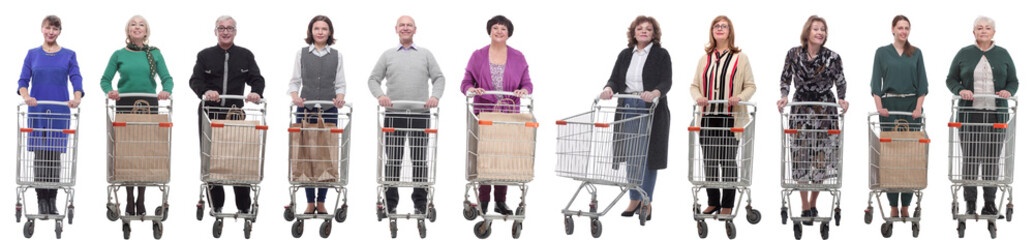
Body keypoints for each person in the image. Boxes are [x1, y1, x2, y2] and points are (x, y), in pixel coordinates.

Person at [367, 15, 446, 214]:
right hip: (394, 113)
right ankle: (389, 203)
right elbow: (373, 79)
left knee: (420, 159)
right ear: (396, 29)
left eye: (409, 25)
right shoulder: (388, 55)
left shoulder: (426, 54)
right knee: (393, 159)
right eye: (402, 25)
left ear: (415, 29)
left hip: (420, 114)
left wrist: (435, 97)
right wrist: (381, 96)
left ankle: (420, 203)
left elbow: (439, 78)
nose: (405, 28)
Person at [775, 15, 849, 226]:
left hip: (825, 110)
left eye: (823, 29)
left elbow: (841, 81)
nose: (820, 32)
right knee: (799, 155)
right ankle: (804, 204)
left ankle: (813, 202)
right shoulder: (793, 54)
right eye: (816, 28)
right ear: (807, 32)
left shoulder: (833, 57)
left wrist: (842, 100)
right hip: (800, 108)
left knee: (821, 157)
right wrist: (783, 95)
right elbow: (785, 77)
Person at [188, 15, 265, 214]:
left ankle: (244, 206)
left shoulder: (245, 55)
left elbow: (257, 79)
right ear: (215, 32)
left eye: (229, 28)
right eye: (221, 28)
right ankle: (217, 204)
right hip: (210, 114)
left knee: (238, 158)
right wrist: (206, 92)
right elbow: (195, 80)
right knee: (212, 157)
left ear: (235, 32)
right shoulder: (204, 55)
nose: (225, 31)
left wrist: (256, 92)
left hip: (234, 114)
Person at [100, 15, 174, 216]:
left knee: (145, 150)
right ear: (128, 31)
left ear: (146, 31)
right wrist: (111, 92)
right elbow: (105, 80)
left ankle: (141, 200)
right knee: (127, 151)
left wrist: (166, 91)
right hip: (125, 104)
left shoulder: (154, 54)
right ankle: (129, 199)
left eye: (141, 24)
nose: (137, 27)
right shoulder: (118, 54)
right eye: (133, 24)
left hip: (149, 104)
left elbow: (167, 79)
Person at [945, 16, 1018, 217]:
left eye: (987, 28)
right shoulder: (964, 53)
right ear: (974, 32)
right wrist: (961, 90)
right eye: (979, 28)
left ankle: (990, 203)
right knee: (970, 158)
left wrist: (1008, 92)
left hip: (996, 117)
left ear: (993, 32)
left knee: (992, 159)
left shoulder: (1003, 54)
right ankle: (970, 203)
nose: (983, 31)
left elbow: (1013, 81)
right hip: (970, 115)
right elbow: (951, 79)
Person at [460, 15, 533, 215]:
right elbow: (465, 82)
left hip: (509, 114)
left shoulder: (518, 57)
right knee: (485, 156)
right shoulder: (478, 55)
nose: (499, 31)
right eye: (495, 28)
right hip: (484, 113)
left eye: (503, 28)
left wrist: (523, 91)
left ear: (509, 33)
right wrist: (471, 90)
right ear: (489, 31)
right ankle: (483, 202)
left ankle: (500, 202)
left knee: (503, 156)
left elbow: (527, 84)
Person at [601, 15, 671, 221]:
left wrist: (655, 92)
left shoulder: (661, 54)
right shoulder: (625, 54)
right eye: (639, 28)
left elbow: (667, 81)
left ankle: (646, 201)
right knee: (631, 155)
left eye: (648, 29)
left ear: (654, 34)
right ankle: (633, 198)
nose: (643, 31)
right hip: (627, 107)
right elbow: (615, 79)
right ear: (633, 32)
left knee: (647, 157)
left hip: (650, 108)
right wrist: (608, 89)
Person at [689, 15, 756, 216]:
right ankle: (713, 202)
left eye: (724, 26)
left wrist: (739, 97)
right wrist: (699, 96)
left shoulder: (740, 58)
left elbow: (751, 86)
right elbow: (693, 86)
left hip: (730, 117)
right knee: (709, 161)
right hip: (708, 117)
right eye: (716, 26)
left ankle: (727, 204)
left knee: (727, 161)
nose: (720, 29)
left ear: (730, 32)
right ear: (712, 31)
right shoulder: (705, 59)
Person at [18, 15, 84, 215]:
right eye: (48, 28)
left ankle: (52, 200)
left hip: (58, 110)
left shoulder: (69, 55)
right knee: (39, 157)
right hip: (37, 109)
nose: (51, 32)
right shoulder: (32, 54)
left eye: (55, 29)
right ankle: (41, 201)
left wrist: (77, 97)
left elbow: (76, 78)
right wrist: (27, 96)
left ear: (59, 32)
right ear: (42, 29)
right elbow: (22, 81)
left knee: (54, 157)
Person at [285, 15, 346, 215]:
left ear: (330, 32)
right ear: (311, 31)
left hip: (329, 110)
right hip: (306, 109)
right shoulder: (301, 53)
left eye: (324, 28)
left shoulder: (337, 55)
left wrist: (339, 97)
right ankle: (310, 202)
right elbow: (294, 81)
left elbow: (340, 84)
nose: (320, 31)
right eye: (316, 28)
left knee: (326, 155)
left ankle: (322, 201)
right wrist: (295, 96)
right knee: (307, 155)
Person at [870, 15, 928, 218]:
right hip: (890, 108)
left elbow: (923, 86)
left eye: (907, 28)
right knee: (891, 157)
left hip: (911, 108)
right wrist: (880, 108)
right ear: (892, 29)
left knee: (910, 156)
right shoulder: (882, 53)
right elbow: (875, 85)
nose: (903, 31)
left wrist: (918, 108)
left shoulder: (916, 53)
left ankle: (907, 205)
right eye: (900, 27)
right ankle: (893, 205)